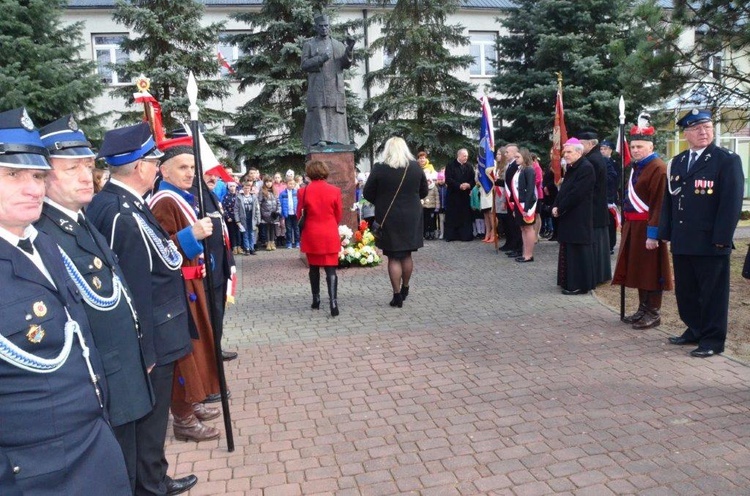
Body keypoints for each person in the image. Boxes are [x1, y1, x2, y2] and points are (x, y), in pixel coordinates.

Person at [0, 107, 131, 495]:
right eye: (13, 175)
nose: (33, 188)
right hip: (36, 472)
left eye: (38, 175)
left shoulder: (43, 244)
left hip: (93, 443)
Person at [36, 115, 154, 490]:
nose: (86, 176)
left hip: (123, 376)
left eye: (87, 166)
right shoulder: (45, 233)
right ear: (44, 176)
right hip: (101, 388)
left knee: (129, 470)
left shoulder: (79, 220)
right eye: (71, 169)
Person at [87, 122, 198, 496]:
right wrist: (145, 348)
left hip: (157, 330)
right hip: (151, 335)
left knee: (151, 421)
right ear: (139, 168)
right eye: (152, 161)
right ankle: (150, 485)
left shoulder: (128, 205)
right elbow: (131, 288)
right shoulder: (120, 212)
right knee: (149, 421)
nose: (155, 167)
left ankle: (155, 476)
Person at [149, 147, 222, 441]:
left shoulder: (180, 197)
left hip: (192, 284)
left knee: (197, 349)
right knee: (184, 354)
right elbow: (159, 248)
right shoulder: (164, 201)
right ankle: (183, 417)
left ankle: (192, 400)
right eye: (182, 167)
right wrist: (192, 236)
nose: (190, 173)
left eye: (192, 167)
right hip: (180, 288)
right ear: (164, 171)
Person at [659, 109, 744, 358]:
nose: (703, 132)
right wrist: (666, 231)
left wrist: (722, 238)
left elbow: (731, 204)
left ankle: (713, 340)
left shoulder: (726, 160)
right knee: (687, 291)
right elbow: (669, 201)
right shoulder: (678, 161)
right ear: (686, 133)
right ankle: (694, 329)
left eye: (707, 127)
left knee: (713, 294)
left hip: (710, 241)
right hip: (683, 239)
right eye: (696, 128)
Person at [611, 119, 673, 329]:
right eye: (633, 146)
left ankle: (653, 312)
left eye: (640, 147)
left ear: (651, 147)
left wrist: (653, 234)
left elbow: (659, 204)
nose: (635, 150)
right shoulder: (638, 167)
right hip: (634, 226)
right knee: (638, 269)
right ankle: (642, 308)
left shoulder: (658, 168)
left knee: (651, 271)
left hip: (648, 227)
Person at [363, 137, 428, 307]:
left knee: (393, 256)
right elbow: (424, 191)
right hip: (412, 216)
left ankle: (397, 295)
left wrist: (381, 200)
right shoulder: (415, 167)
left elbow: (367, 192)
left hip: (388, 215)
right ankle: (405, 287)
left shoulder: (380, 168)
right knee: (407, 254)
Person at [192, 164, 238, 364]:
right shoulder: (194, 196)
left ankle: (215, 348)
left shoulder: (210, 195)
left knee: (217, 311)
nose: (213, 178)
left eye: (216, 175)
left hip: (219, 267)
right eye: (208, 173)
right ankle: (209, 356)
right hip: (206, 268)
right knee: (209, 314)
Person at [300, 14, 355, 148]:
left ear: (329, 27)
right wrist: (321, 58)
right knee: (320, 111)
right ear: (316, 27)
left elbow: (345, 64)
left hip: (335, 84)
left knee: (334, 111)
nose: (324, 28)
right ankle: (321, 138)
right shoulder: (310, 45)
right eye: (321, 26)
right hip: (318, 85)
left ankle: (337, 139)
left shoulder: (337, 44)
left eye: (326, 26)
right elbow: (304, 65)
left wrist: (349, 49)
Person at [297, 159, 343, 316]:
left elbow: (299, 214)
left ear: (309, 173)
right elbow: (338, 214)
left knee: (314, 268)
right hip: (329, 232)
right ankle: (333, 302)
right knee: (331, 270)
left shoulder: (303, 191)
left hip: (311, 233)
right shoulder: (335, 190)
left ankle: (316, 300)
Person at [552, 138, 596, 295]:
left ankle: (580, 284)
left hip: (579, 215)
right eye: (565, 152)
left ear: (579, 151)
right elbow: (564, 189)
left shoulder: (586, 168)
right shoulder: (572, 167)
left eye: (569, 152)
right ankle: (568, 281)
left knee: (578, 250)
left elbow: (577, 193)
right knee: (569, 249)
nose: (565, 154)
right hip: (568, 214)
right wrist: (556, 205)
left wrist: (560, 207)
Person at [577, 131, 612, 285]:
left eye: (581, 143)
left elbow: (588, 186)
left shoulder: (592, 160)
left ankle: (595, 274)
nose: (579, 146)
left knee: (595, 244)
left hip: (593, 208)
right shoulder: (596, 158)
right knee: (599, 244)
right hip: (597, 207)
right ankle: (600, 273)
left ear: (591, 143)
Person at [510, 147, 538, 263]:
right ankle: (524, 252)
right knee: (522, 228)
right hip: (518, 202)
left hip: (526, 204)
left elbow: (530, 189)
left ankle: (529, 255)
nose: (515, 159)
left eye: (518, 157)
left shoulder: (529, 170)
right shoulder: (519, 169)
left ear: (524, 157)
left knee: (528, 228)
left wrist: (526, 208)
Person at [443, 149, 474, 241]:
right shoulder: (450, 165)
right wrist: (459, 186)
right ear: (459, 155)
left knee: (465, 216)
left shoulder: (469, 166)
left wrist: (468, 185)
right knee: (452, 216)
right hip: (453, 194)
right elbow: (448, 179)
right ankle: (451, 236)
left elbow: (472, 179)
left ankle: (465, 236)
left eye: (467, 156)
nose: (466, 157)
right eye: (464, 156)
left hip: (465, 195)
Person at [500, 144, 523, 256]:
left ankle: (518, 247)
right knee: (511, 224)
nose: (505, 154)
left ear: (514, 153)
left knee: (516, 225)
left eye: (507, 152)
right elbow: (506, 182)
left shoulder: (516, 165)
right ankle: (514, 245)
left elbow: (513, 183)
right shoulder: (509, 165)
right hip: (510, 198)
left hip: (515, 198)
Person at [601, 139, 621, 253]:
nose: (602, 151)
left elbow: (615, 180)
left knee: (610, 222)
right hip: (602, 197)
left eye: (605, 149)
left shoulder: (613, 163)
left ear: (610, 150)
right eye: (601, 149)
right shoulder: (599, 162)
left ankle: (611, 244)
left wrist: (612, 196)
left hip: (610, 196)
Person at [236, 180, 260, 255]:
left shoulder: (254, 197)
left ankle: (252, 248)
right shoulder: (239, 197)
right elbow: (236, 210)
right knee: (245, 233)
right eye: (245, 188)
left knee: (252, 233)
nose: (246, 190)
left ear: (250, 189)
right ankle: (247, 249)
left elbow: (257, 209)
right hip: (243, 217)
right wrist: (237, 220)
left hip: (251, 217)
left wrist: (258, 219)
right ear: (243, 189)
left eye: (248, 188)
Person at [259, 175, 281, 251]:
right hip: (266, 213)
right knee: (267, 228)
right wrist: (262, 213)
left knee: (273, 228)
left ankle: (272, 242)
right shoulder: (262, 191)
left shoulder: (274, 191)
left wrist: (278, 211)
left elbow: (278, 202)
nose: (269, 183)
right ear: (264, 183)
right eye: (267, 182)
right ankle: (268, 242)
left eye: (270, 182)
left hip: (274, 213)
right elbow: (259, 203)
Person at [279, 177, 300, 248]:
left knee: (296, 228)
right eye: (290, 184)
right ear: (286, 184)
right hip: (287, 213)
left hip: (295, 213)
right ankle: (289, 243)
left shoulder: (297, 192)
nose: (291, 185)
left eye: (293, 184)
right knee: (288, 229)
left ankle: (297, 242)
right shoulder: (282, 193)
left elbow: (299, 202)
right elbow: (280, 204)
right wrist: (282, 214)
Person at [222, 182, 241, 254]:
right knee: (232, 232)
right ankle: (234, 247)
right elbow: (224, 208)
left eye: (234, 186)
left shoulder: (239, 196)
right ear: (228, 187)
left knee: (238, 232)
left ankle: (239, 246)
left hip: (238, 217)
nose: (232, 188)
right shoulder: (226, 196)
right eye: (231, 186)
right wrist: (228, 217)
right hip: (230, 217)